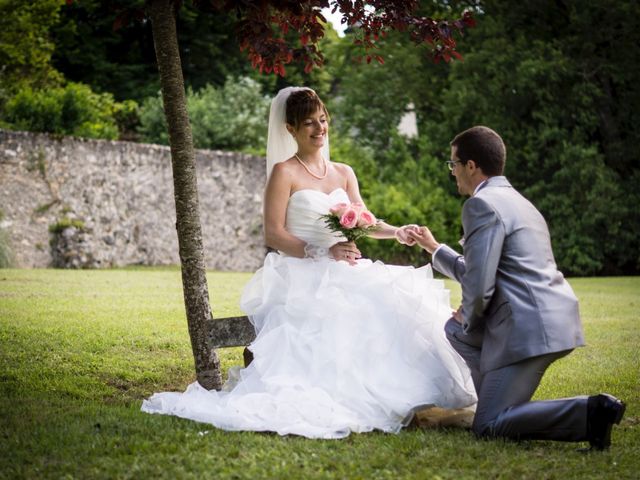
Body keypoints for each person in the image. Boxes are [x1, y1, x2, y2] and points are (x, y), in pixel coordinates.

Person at [141, 87, 476, 439]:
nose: (319, 129)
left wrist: (397, 232)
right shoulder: (284, 173)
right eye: (309, 124)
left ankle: (404, 397)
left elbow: (364, 220)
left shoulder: (344, 172)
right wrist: (322, 251)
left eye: (323, 120)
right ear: (290, 129)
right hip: (301, 273)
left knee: (393, 303)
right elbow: (274, 233)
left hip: (347, 268)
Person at [406, 125, 626, 450]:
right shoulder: (518, 201)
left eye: (453, 164)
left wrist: (470, 313)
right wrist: (434, 248)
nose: (452, 172)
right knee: (456, 330)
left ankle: (590, 411)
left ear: (471, 166)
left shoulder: (480, 206)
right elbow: (483, 270)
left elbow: (480, 287)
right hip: (551, 318)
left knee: (490, 426)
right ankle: (494, 402)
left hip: (528, 326)